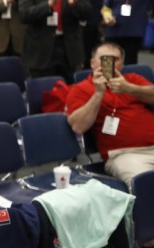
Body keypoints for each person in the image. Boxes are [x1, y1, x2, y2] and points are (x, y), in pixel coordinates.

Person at [66, 42, 154, 189]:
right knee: (147, 187)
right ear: (92, 63)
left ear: (122, 64)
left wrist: (129, 89)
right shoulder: (81, 89)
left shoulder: (132, 79)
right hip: (126, 155)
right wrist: (98, 94)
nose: (110, 64)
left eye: (115, 59)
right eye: (104, 59)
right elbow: (78, 126)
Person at [101, 0, 153, 65]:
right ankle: (106, 81)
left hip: (133, 34)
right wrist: (107, 17)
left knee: (130, 64)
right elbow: (106, 7)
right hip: (113, 31)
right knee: (108, 64)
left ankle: (127, 82)